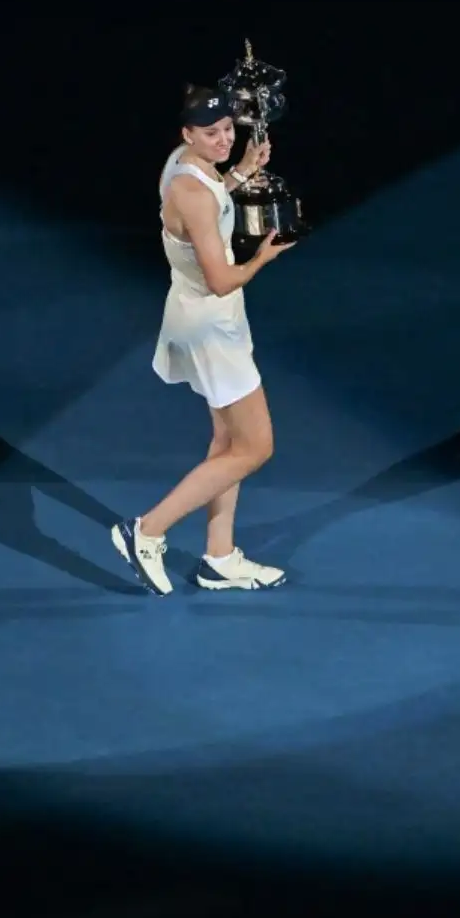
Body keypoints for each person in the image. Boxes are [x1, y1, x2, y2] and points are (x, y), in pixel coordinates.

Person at [109, 84, 296, 595]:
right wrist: (261, 258)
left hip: (203, 316)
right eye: (211, 134)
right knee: (255, 447)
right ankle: (145, 531)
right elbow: (220, 279)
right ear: (186, 133)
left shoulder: (183, 165)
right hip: (212, 326)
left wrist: (240, 174)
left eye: (228, 131)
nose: (223, 141)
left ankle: (219, 557)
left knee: (226, 441)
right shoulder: (190, 192)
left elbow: (210, 203)